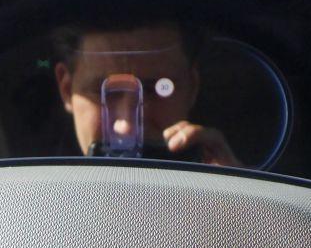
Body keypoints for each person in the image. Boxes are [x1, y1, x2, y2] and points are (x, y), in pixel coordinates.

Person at [51, 20, 240, 167]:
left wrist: (231, 195)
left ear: (192, 87)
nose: (125, 127)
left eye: (155, 89)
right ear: (66, 89)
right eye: (107, 93)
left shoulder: (220, 187)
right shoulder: (38, 193)